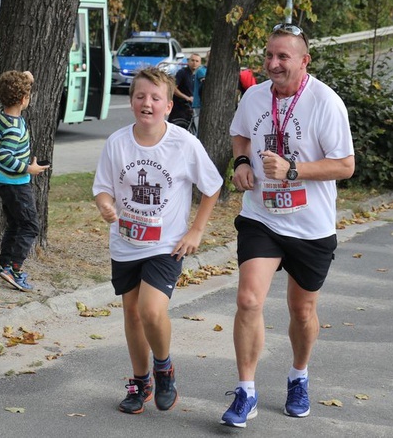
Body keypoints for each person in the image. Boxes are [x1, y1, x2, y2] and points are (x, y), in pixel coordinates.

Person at [220, 23, 355, 427]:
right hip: (261, 217)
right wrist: (242, 162)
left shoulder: (326, 103)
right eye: (269, 55)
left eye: (283, 57)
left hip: (310, 225)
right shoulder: (255, 96)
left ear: (304, 61)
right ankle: (246, 392)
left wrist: (294, 169)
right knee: (248, 300)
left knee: (302, 309)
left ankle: (299, 375)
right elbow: (240, 136)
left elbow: (345, 165)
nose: (273, 64)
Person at [93, 67, 223, 415]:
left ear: (168, 105)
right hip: (125, 243)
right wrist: (106, 205)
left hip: (166, 245)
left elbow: (212, 186)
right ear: (131, 101)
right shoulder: (117, 142)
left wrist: (195, 230)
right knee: (133, 316)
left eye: (154, 98)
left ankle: (164, 369)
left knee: (151, 311)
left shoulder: (183, 143)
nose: (146, 103)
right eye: (140, 96)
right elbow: (103, 188)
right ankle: (140, 381)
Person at [0, 70, 50, 292]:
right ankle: (14, 270)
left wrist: (26, 79)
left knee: (16, 224)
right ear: (24, 99)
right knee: (30, 225)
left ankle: (3, 265)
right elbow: (5, 156)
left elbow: (14, 90)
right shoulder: (14, 128)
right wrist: (29, 168)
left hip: (3, 182)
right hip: (15, 184)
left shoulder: (1, 114)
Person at [169, 53, 201, 129]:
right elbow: (173, 88)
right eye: (192, 60)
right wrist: (186, 97)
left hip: (191, 106)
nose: (194, 63)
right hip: (179, 107)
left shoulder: (199, 74)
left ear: (200, 63)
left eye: (197, 61)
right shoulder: (182, 72)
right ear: (188, 61)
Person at [189, 52, 209, 135]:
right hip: (199, 105)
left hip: (204, 105)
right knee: (200, 131)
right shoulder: (202, 71)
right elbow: (206, 86)